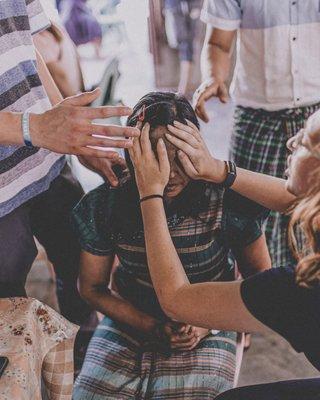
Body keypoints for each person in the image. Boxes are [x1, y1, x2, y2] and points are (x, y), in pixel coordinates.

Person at [71, 92, 271, 399]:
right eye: (155, 156)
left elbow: (261, 282)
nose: (170, 172)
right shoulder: (105, 205)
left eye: (180, 155)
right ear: (133, 154)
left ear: (198, 149)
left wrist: (208, 325)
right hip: (132, 314)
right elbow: (92, 288)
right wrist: (149, 325)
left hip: (213, 317)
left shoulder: (227, 202)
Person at [128, 100, 320, 398]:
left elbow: (177, 300)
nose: (291, 141)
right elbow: (294, 199)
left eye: (305, 142)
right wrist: (217, 170)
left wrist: (150, 193)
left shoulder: (298, 290)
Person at [0, 0, 138, 367]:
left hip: (45, 160)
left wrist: (67, 129)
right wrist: (34, 127)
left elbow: (24, 46)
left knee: (79, 257)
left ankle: (83, 352)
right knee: (10, 311)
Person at [194, 0, 320, 268]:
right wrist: (214, 78)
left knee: (314, 211)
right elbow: (218, 44)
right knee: (247, 215)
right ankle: (263, 297)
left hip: (316, 118)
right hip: (256, 118)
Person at [164, 0, 203, 97]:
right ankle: (182, 89)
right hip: (175, 6)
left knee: (186, 46)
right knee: (184, 45)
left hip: (190, 6)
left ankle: (183, 89)